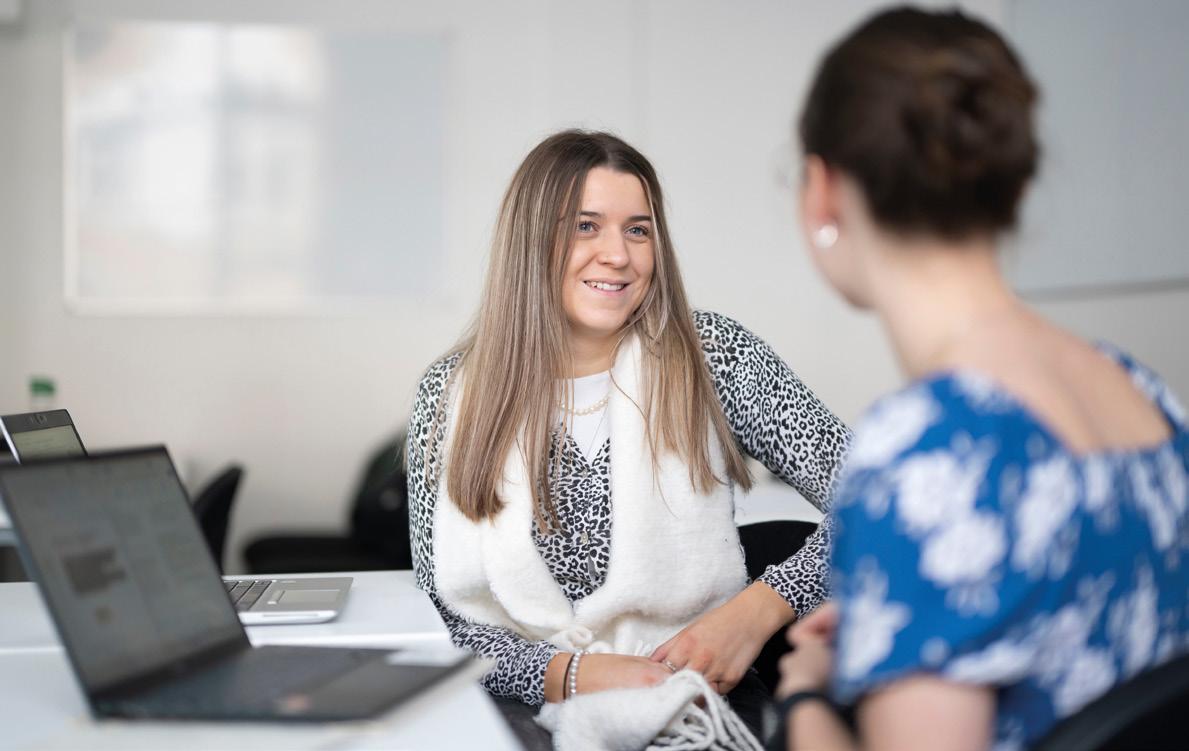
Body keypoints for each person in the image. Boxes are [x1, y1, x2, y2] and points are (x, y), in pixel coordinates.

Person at [774, 7, 1189, 751]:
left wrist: (804, 693)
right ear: (1010, 188)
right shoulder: (1140, 389)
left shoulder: (923, 456)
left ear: (822, 194)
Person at [406, 130, 851, 736]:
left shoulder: (713, 356)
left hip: (692, 696)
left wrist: (757, 610)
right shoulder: (447, 394)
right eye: (585, 226)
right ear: (530, 241)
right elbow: (439, 611)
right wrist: (568, 674)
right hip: (512, 699)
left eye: (638, 230)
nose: (618, 255)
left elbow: (887, 500)